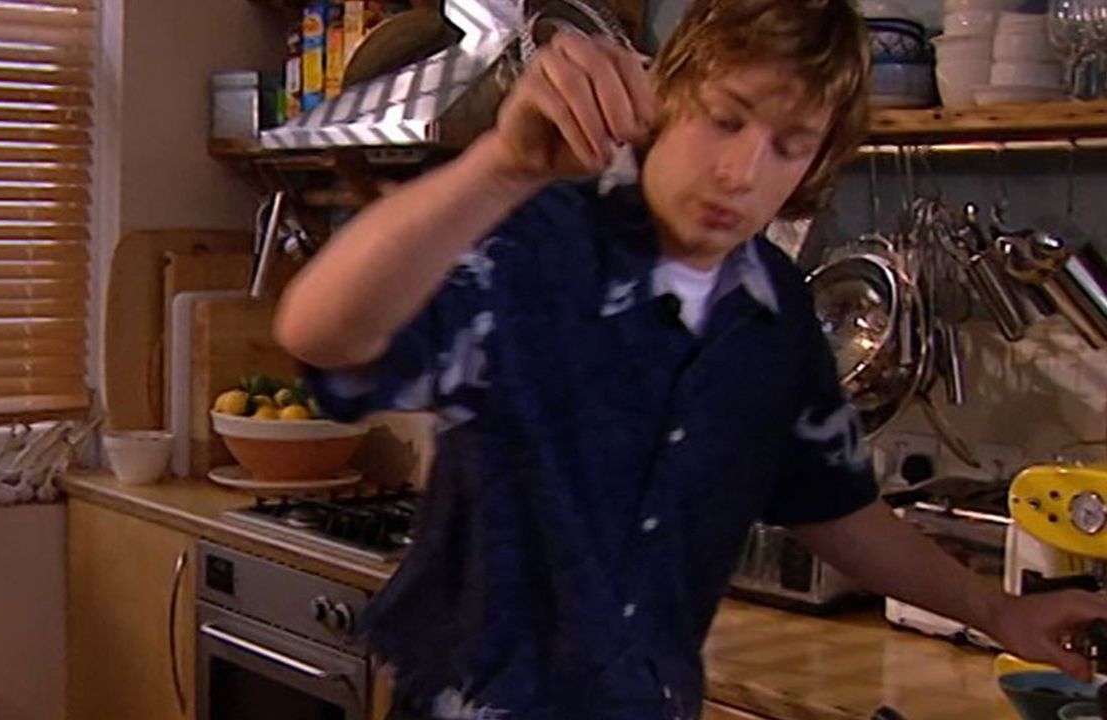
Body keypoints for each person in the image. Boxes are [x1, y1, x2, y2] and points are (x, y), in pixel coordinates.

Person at [275, 0, 1107, 718]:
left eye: (789, 145)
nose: (742, 172)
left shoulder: (775, 310)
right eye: (726, 120)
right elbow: (321, 332)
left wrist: (997, 612)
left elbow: (835, 509)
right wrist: (501, 165)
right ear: (668, 98)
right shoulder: (533, 241)